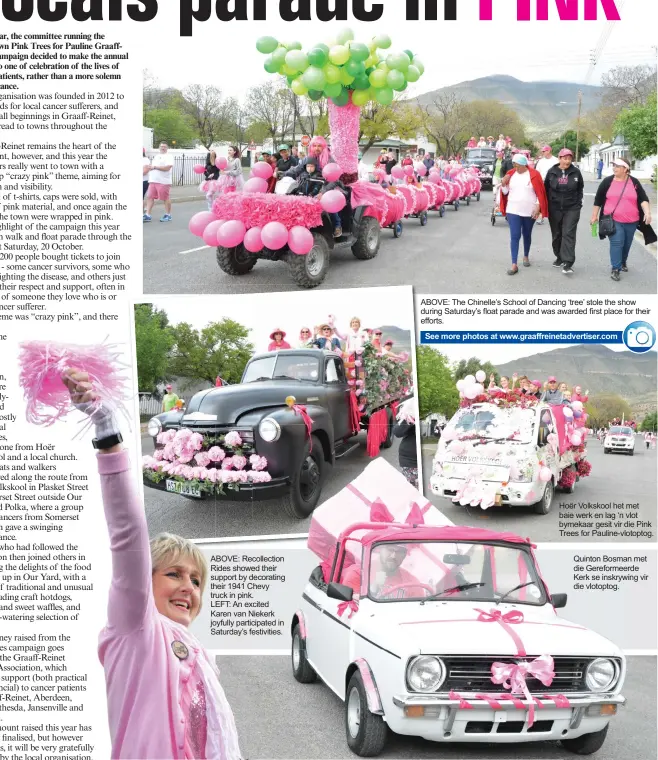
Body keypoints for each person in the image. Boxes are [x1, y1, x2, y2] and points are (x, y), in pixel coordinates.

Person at [61, 369, 242, 759]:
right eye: (174, 574)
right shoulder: (135, 628)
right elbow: (127, 535)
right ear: (145, 582)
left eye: (196, 580)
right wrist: (107, 434)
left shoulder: (197, 654)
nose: (189, 588)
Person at [591, 158, 653, 281]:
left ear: (626, 169)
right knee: (617, 242)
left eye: (618, 166)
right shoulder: (607, 181)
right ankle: (615, 268)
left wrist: (647, 213)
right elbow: (598, 200)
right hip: (613, 220)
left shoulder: (634, 182)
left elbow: (643, 199)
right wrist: (594, 216)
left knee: (626, 244)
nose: (614, 168)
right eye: (614, 166)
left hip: (632, 221)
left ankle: (623, 261)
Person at [499, 154, 548, 275]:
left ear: (523, 164)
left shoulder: (534, 174)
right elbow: (505, 192)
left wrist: (538, 205)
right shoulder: (511, 174)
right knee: (515, 236)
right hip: (513, 210)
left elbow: (540, 193)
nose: (515, 167)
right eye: (514, 165)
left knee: (526, 234)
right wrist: (504, 184)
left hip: (528, 210)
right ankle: (514, 264)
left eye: (516, 165)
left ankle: (526, 255)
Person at [545, 148, 584, 275]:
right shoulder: (552, 172)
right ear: (559, 158)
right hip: (554, 208)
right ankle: (559, 256)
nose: (567, 161)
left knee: (568, 233)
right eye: (565, 158)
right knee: (557, 234)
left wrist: (578, 204)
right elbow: (546, 189)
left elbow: (580, 189)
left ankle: (568, 262)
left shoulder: (576, 172)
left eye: (569, 158)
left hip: (571, 208)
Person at [341, 544, 426, 599]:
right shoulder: (358, 574)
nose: (393, 556)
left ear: (404, 555)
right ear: (380, 550)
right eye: (390, 549)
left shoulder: (413, 584)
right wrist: (374, 587)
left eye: (399, 551)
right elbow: (352, 612)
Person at [144, 142, 173, 223]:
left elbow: (167, 168)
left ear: (167, 148)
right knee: (150, 197)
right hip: (153, 180)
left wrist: (154, 167)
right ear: (159, 148)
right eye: (161, 146)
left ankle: (168, 215)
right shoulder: (157, 156)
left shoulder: (169, 156)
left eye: (164, 147)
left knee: (165, 198)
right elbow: (153, 167)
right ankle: (147, 215)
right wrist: (150, 167)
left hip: (163, 181)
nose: (162, 148)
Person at [393, 398, 418, 488]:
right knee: (411, 495)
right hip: (410, 461)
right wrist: (410, 417)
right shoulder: (410, 403)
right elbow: (397, 432)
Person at [534, 145, 559, 225]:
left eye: (544, 151)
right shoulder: (541, 161)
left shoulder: (556, 160)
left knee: (553, 200)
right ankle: (540, 216)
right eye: (543, 151)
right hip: (543, 182)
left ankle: (555, 217)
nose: (543, 153)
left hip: (554, 183)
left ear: (549, 151)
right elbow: (537, 172)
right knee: (540, 199)